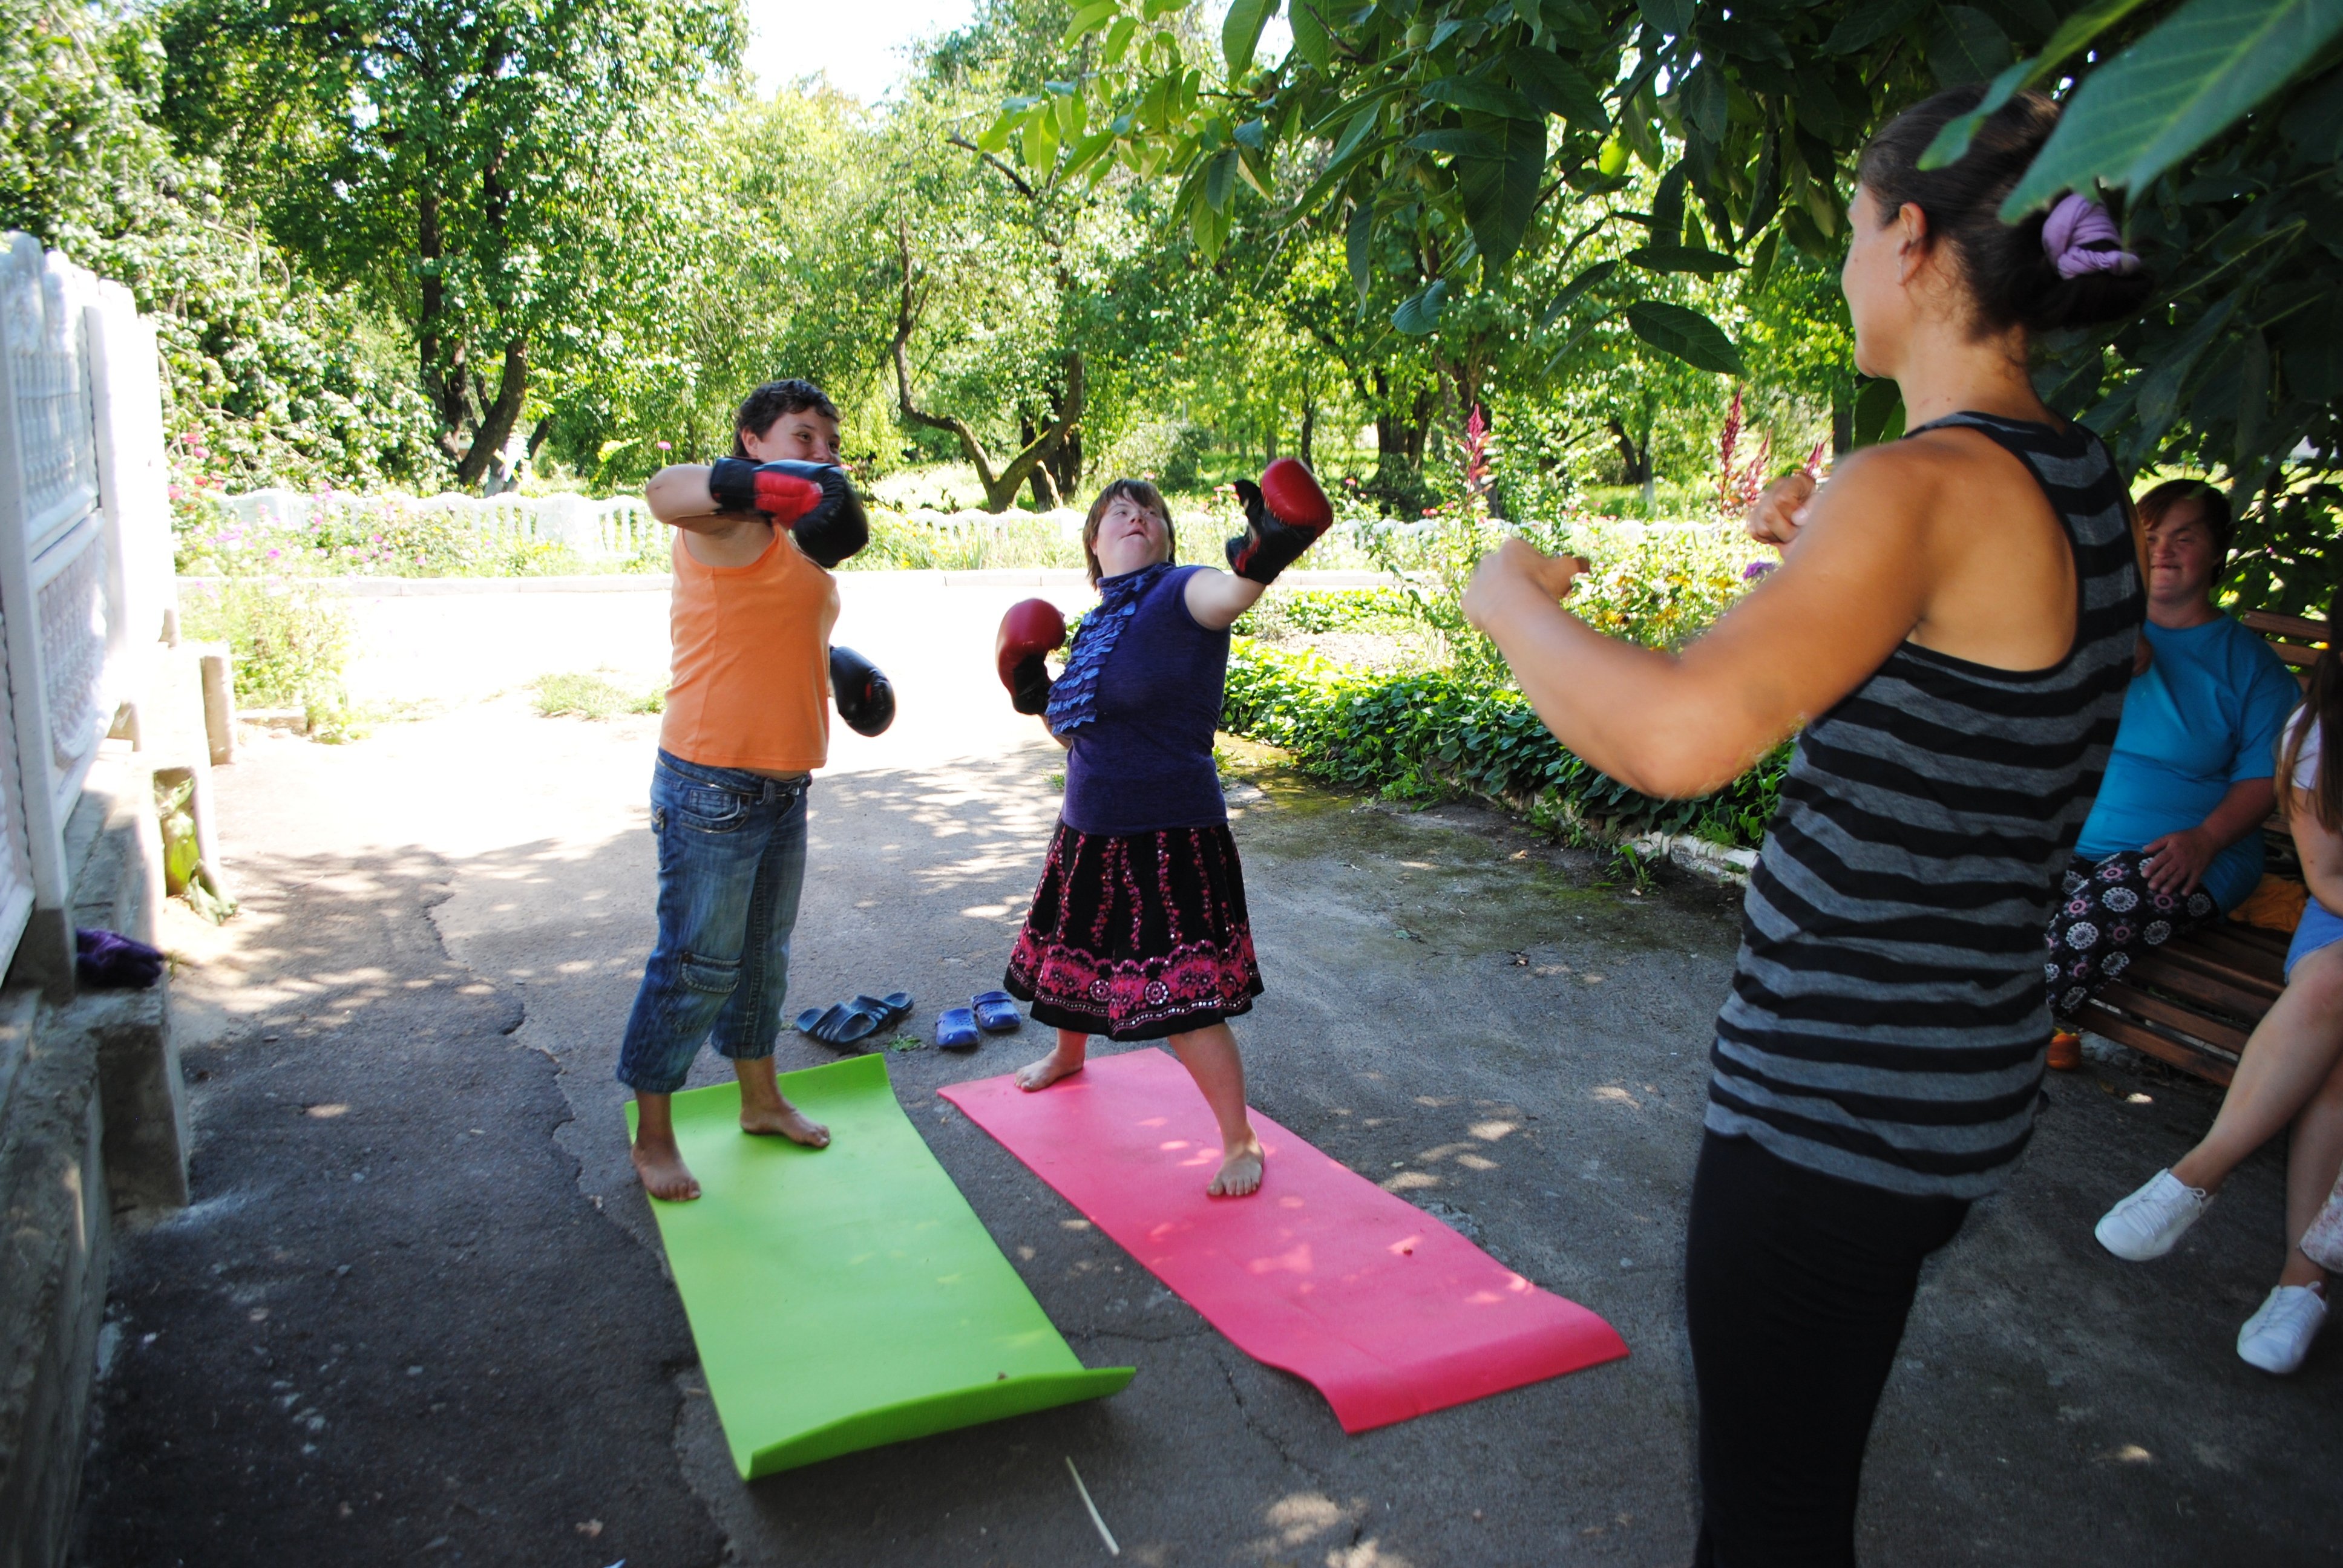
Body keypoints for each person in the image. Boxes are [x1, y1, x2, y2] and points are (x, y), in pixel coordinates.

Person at [1461, 85, 2151, 1565]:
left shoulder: (1919, 489)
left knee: (1770, 1522)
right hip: (1947, 1080)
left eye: (1850, 232)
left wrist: (1507, 599)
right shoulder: (2069, 471)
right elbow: (1968, 722)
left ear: (1909, 240)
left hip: (1837, 1107)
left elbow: (1671, 739)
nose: (1845, 266)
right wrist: (1812, 556)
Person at [994, 463, 1332, 1198]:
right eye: (1116, 512)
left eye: (1145, 509)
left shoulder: (1184, 593)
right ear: (1093, 543)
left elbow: (1233, 594)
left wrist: (1267, 550)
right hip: (1088, 826)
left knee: (1185, 1005)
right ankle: (1068, 1056)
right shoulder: (1096, 626)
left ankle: (1240, 1141)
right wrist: (1034, 693)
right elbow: (1079, 733)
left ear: (1166, 537)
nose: (1132, 515)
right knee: (1074, 956)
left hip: (1168, 831)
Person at [618, 378, 887, 1201]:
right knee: (697, 964)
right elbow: (660, 491)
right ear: (752, 442)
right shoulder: (727, 518)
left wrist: (840, 668)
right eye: (804, 437)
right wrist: (764, 487)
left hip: (783, 785)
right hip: (712, 781)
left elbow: (769, 623)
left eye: (831, 445)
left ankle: (761, 1100)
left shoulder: (794, 541)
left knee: (761, 963)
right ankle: (654, 1136)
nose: (824, 456)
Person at [2094, 604, 2343, 1374]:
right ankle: (2303, 1278)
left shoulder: (2275, 695)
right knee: (2335, 984)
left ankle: (2201, 1184)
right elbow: (2329, 879)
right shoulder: (2319, 732)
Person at [2043, 480, 2298, 1065]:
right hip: (2074, 842)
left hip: (2186, 855)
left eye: (2185, 537)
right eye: (2151, 537)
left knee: (2084, 924)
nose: (2163, 551)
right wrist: (2100, 655)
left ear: (2216, 552)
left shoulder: (2249, 666)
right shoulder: (2094, 629)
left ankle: (1967, 1061)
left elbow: (2264, 778)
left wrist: (2207, 838)